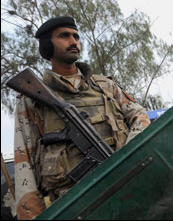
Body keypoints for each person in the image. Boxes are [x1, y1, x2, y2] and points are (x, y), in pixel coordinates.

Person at [13, 16, 151, 219]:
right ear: (47, 46)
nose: (74, 41)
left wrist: (127, 157)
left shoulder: (105, 86)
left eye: (76, 36)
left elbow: (140, 116)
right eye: (64, 36)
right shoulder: (32, 99)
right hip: (76, 206)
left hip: (125, 187)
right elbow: (23, 159)